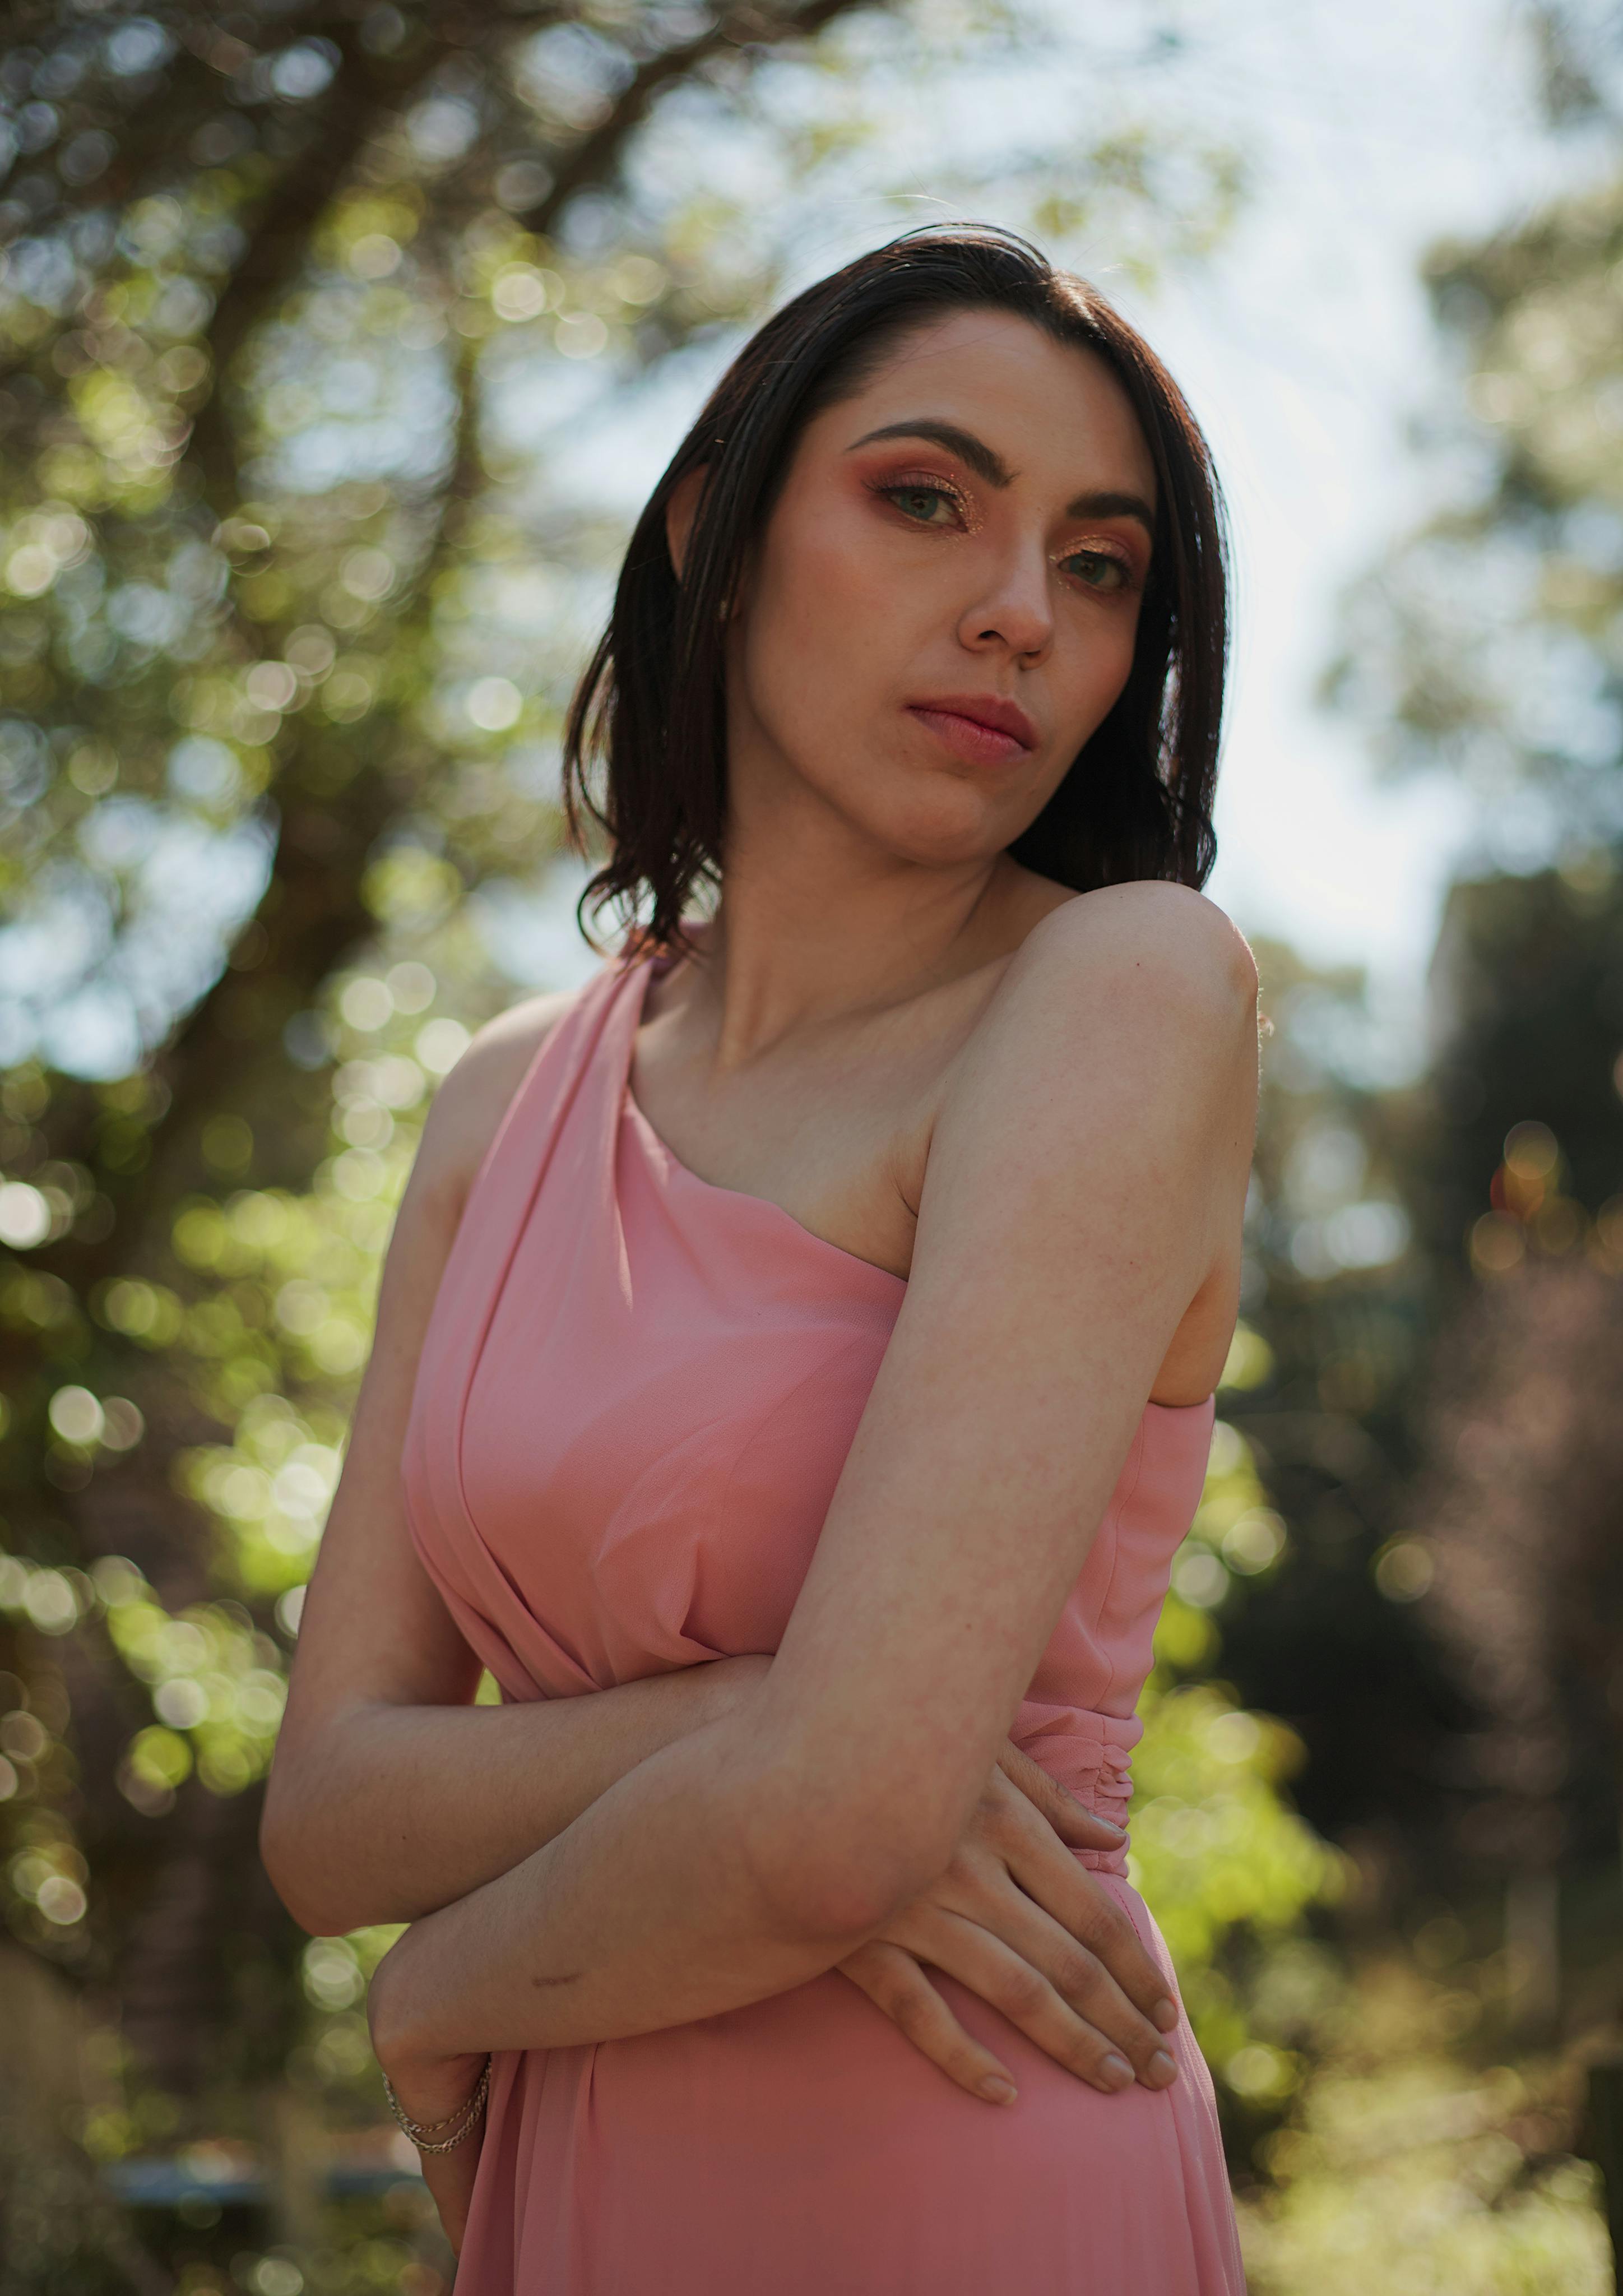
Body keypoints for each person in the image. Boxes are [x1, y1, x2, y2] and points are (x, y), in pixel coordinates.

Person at [261, 223, 1258, 2294]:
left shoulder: (1122, 997)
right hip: (579, 2172)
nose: (1015, 617)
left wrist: (435, 1999)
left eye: (1098, 569)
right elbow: (325, 1815)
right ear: (718, 522)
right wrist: (747, 1717)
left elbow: (833, 1836)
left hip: (960, 2160)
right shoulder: (506, 1100)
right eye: (925, 501)